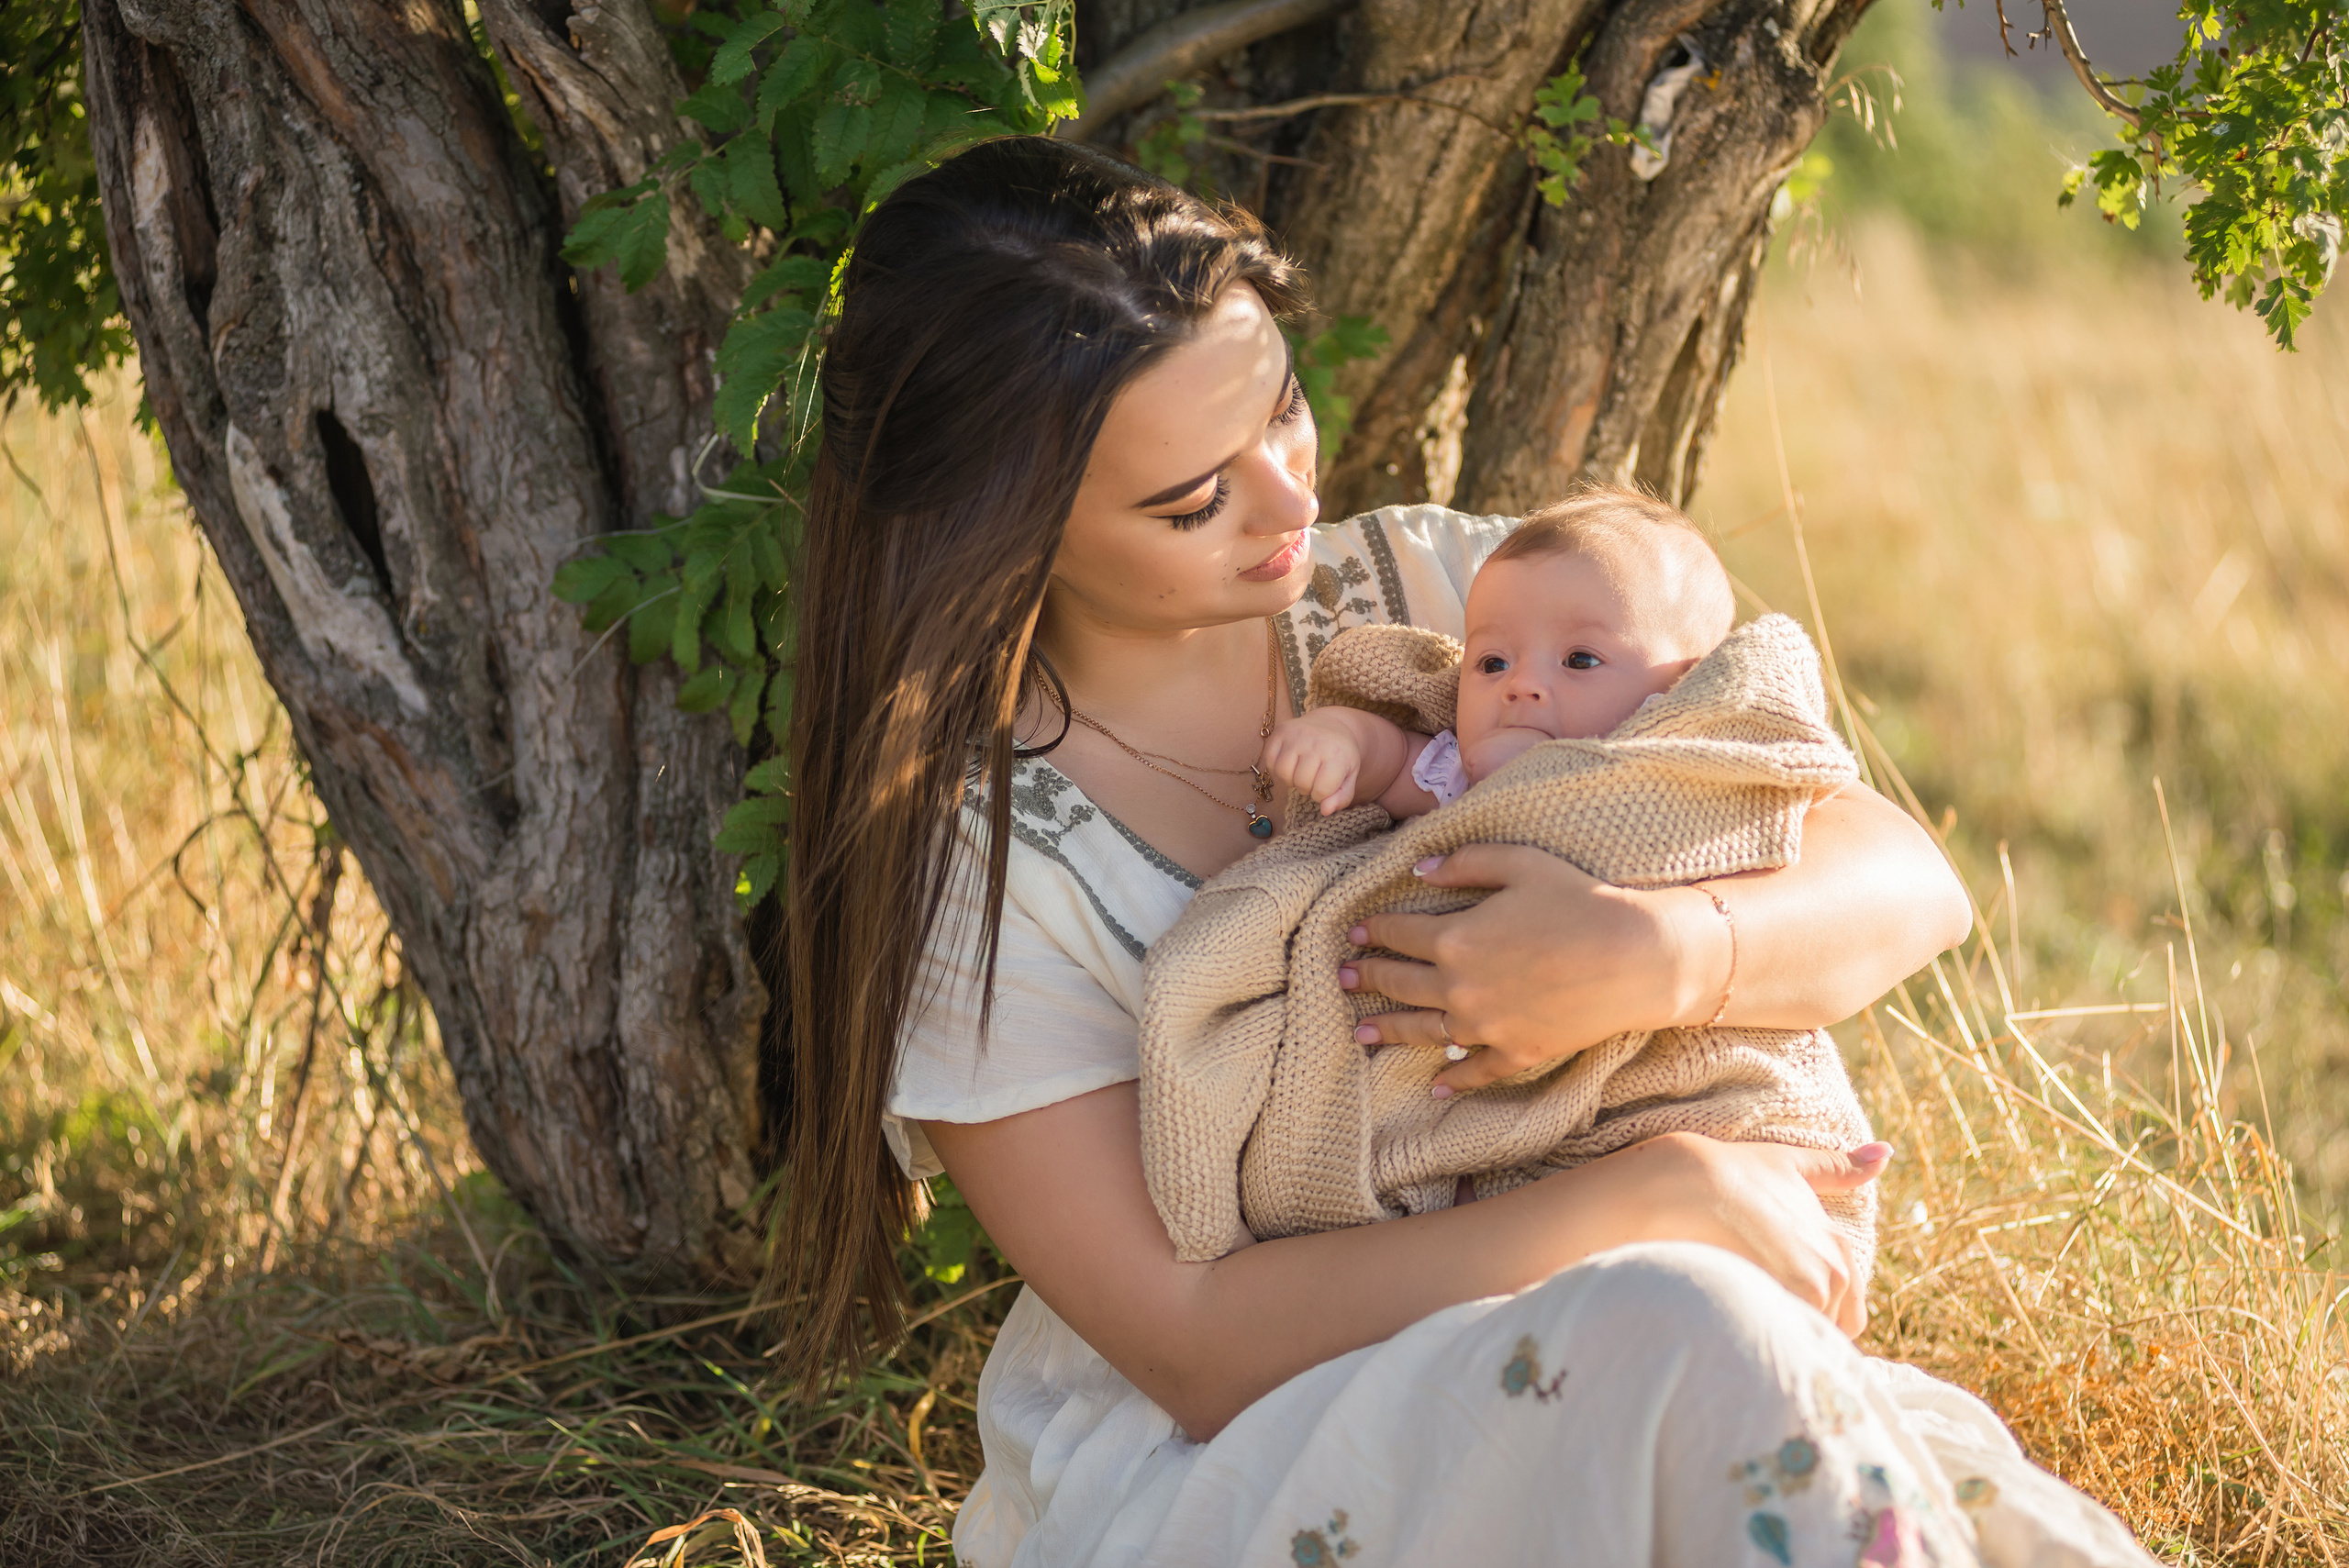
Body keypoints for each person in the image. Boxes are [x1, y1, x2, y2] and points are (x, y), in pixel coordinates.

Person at [774, 136, 2156, 1566]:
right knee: (1705, 1347)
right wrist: (1636, 1198)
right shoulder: (984, 866)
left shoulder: (1451, 593)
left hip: (1604, 1311)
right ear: (1010, 529)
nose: (1290, 498)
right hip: (1235, 1449)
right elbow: (1189, 1344)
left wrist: (1660, 954)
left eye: (1285, 411)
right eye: (1196, 501)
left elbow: (1903, 877)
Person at [1259, 485, 1738, 819]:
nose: (1520, 686)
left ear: (1683, 688)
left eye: (1580, 660)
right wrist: (1345, 739)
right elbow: (1394, 767)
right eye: (1493, 663)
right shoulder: (1460, 778)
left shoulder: (1689, 783)